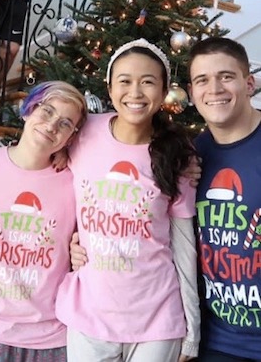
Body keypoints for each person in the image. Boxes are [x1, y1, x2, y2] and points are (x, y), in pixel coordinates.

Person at [55, 39, 200, 362]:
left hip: (157, 318)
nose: (135, 93)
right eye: (125, 81)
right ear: (109, 88)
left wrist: (193, 328)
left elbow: (184, 245)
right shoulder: (82, 132)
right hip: (89, 314)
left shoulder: (178, 154)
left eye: (148, 82)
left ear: (163, 92)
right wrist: (69, 243)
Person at [0, 81, 88, 361]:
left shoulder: (76, 181)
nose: (51, 126)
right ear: (28, 111)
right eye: (46, 112)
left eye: (65, 123)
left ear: (71, 138)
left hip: (49, 339)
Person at [187, 37, 261, 362]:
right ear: (191, 93)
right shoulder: (189, 157)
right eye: (202, 80)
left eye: (226, 76)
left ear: (249, 83)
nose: (214, 88)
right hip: (216, 341)